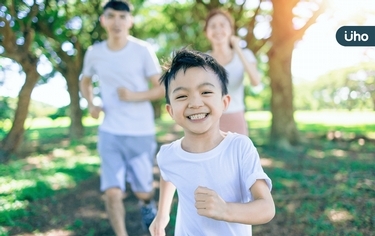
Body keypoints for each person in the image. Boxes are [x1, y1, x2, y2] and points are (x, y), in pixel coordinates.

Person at [149, 48, 275, 236]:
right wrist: (162, 214)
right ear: (171, 111)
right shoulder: (168, 154)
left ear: (224, 102)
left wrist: (225, 210)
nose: (195, 103)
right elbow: (167, 174)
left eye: (206, 92)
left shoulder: (239, 148)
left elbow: (266, 208)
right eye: (182, 96)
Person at [79, 0, 164, 235]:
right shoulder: (94, 53)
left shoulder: (142, 50)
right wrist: (91, 103)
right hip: (110, 132)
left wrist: (133, 96)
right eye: (111, 16)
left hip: (141, 131)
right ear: (103, 20)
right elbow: (84, 81)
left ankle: (146, 203)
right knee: (112, 191)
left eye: (122, 17)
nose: (117, 21)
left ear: (130, 21)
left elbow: (161, 88)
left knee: (143, 190)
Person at [204, 8, 262, 136]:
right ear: (206, 32)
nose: (218, 30)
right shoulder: (203, 60)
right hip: (209, 121)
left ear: (231, 29)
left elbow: (256, 81)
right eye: (213, 26)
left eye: (223, 25)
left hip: (236, 118)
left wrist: (238, 49)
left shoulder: (245, 54)